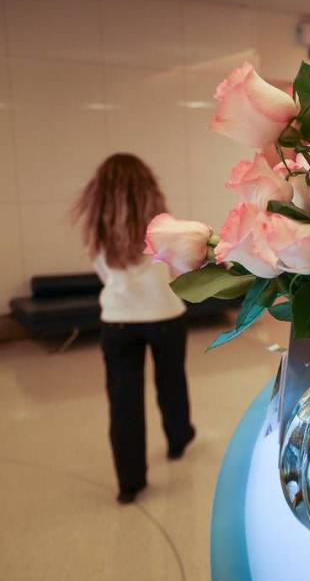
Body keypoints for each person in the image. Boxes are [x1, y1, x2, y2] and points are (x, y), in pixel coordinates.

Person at [73, 154, 196, 504]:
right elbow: (176, 270)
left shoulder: (96, 230)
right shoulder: (163, 226)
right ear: (148, 186)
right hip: (166, 315)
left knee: (123, 401)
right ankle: (178, 439)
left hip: (118, 320)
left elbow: (104, 275)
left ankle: (130, 483)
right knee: (171, 382)